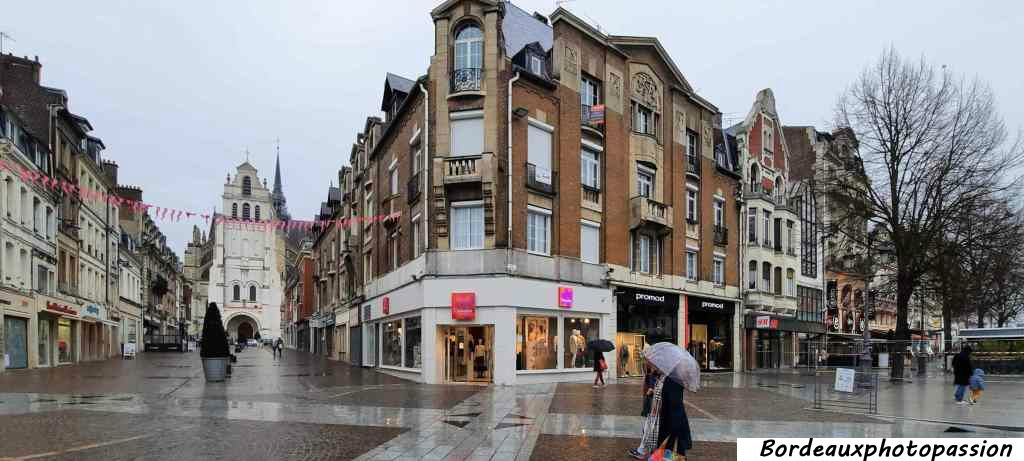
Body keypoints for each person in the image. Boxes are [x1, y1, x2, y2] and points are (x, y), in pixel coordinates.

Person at [637, 369, 693, 459]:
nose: (654, 367)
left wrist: (674, 430)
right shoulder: (663, 378)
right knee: (668, 454)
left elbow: (675, 405)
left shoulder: (672, 380)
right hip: (666, 424)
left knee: (673, 454)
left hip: (672, 426)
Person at [629, 363, 661, 459]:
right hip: (653, 408)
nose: (652, 365)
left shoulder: (663, 378)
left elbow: (663, 394)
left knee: (650, 430)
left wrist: (653, 391)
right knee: (648, 429)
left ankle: (643, 451)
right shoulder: (653, 375)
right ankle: (644, 450)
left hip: (657, 409)